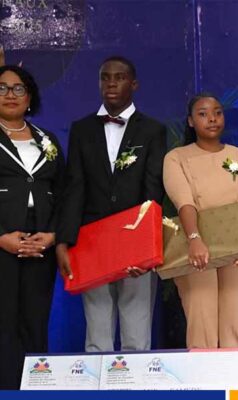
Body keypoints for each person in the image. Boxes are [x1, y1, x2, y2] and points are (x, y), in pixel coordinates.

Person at [56, 56, 167, 352]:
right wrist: (64, 241)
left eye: (119, 77)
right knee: (97, 331)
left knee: (137, 331)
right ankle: (98, 380)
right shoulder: (82, 129)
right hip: (91, 241)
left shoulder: (152, 130)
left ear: (134, 84)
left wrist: (145, 247)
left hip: (135, 240)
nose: (111, 83)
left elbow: (153, 190)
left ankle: (134, 381)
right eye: (105, 77)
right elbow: (74, 187)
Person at [163, 93, 238, 348]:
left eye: (217, 112)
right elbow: (184, 201)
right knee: (201, 321)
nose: (212, 119)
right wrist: (195, 239)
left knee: (237, 323)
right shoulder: (176, 158)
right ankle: (203, 374)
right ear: (191, 121)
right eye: (203, 114)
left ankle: (235, 374)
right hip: (196, 248)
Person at [0, 65, 65, 389]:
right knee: (4, 323)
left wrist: (53, 235)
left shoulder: (46, 139)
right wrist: (0, 237)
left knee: (35, 320)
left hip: (41, 242)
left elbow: (64, 192)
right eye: (2, 88)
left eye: (18, 88)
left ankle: (32, 391)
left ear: (29, 97)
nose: (10, 95)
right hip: (3, 240)